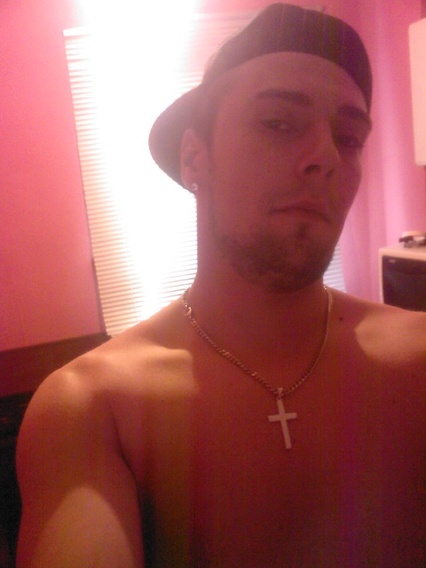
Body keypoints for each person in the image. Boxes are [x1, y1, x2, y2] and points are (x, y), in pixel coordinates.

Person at [16, 3, 426, 566]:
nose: (327, 157)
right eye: (278, 123)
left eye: (350, 137)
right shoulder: (93, 408)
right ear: (194, 157)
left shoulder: (418, 359)